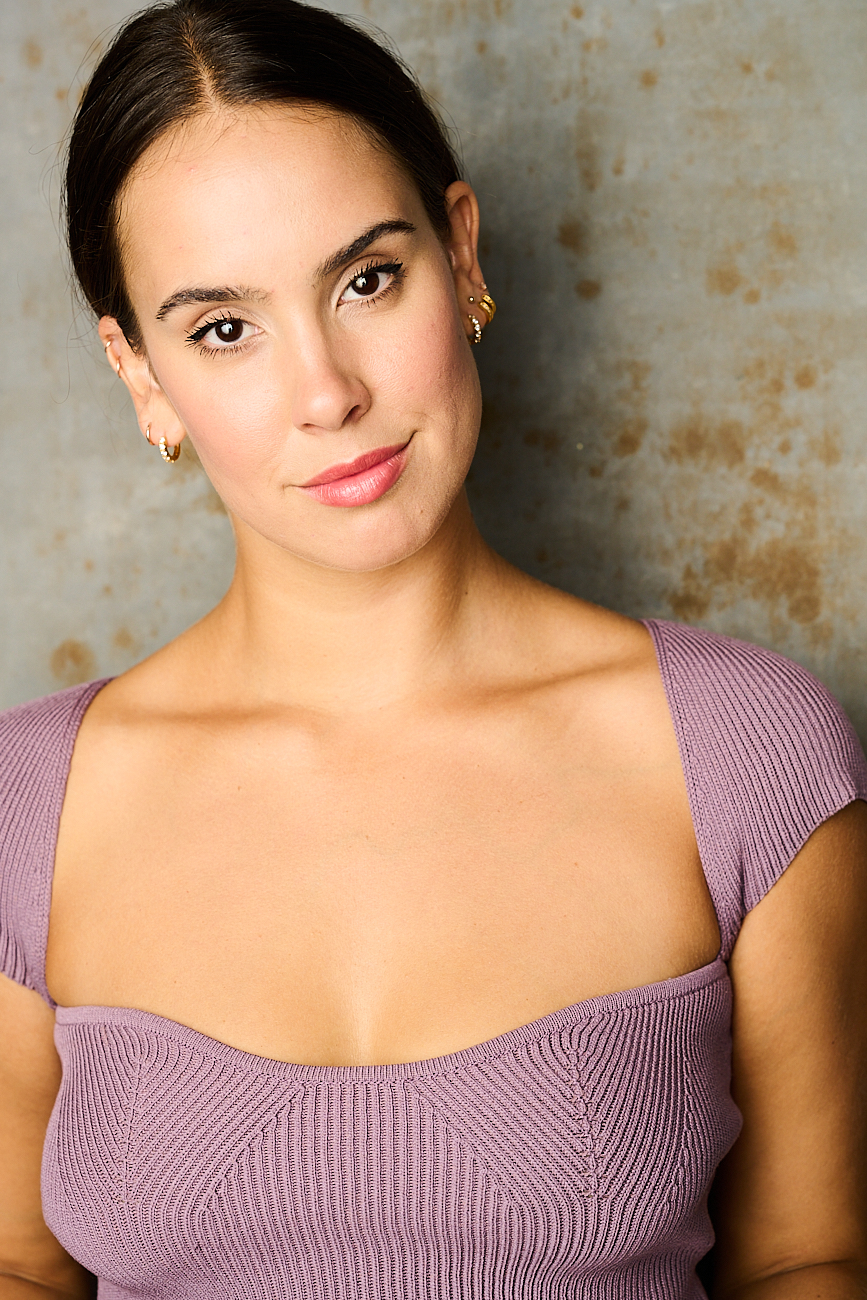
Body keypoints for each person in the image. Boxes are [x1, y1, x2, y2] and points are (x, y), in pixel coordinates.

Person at [1, 1, 866, 1295]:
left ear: (460, 255)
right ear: (139, 374)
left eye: (366, 280)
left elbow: (805, 1258)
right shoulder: (28, 807)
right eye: (224, 328)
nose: (328, 393)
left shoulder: (746, 757)